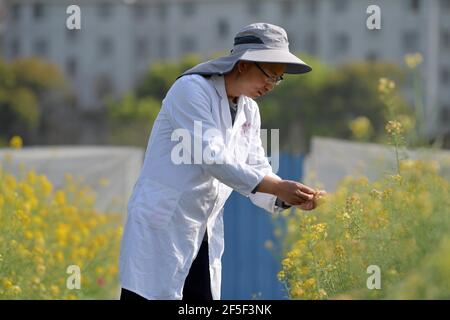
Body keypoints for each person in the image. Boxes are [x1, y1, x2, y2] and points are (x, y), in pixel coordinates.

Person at [119, 22, 322, 301]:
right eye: (268, 74)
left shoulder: (249, 109)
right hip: (162, 226)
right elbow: (212, 157)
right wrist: (276, 188)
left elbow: (256, 166)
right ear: (242, 64)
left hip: (204, 230)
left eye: (278, 79)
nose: (271, 85)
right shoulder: (190, 90)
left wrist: (288, 196)